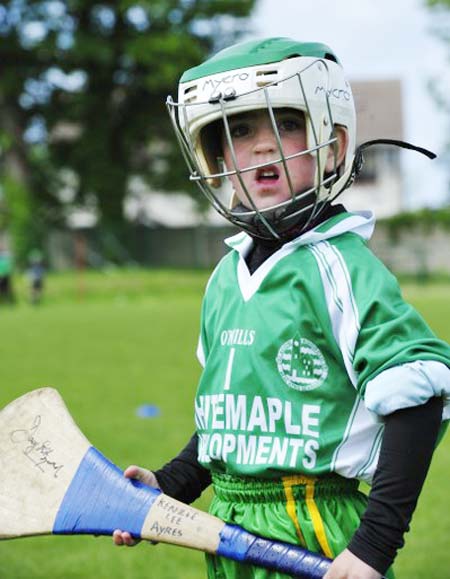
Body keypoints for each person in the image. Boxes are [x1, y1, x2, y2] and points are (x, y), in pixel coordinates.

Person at [113, 37, 450, 578]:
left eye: (286, 123)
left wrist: (372, 548)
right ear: (216, 157)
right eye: (240, 130)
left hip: (312, 527)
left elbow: (420, 394)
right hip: (229, 531)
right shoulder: (225, 278)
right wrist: (169, 483)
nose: (264, 147)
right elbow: (229, 424)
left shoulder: (342, 267)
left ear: (333, 144)